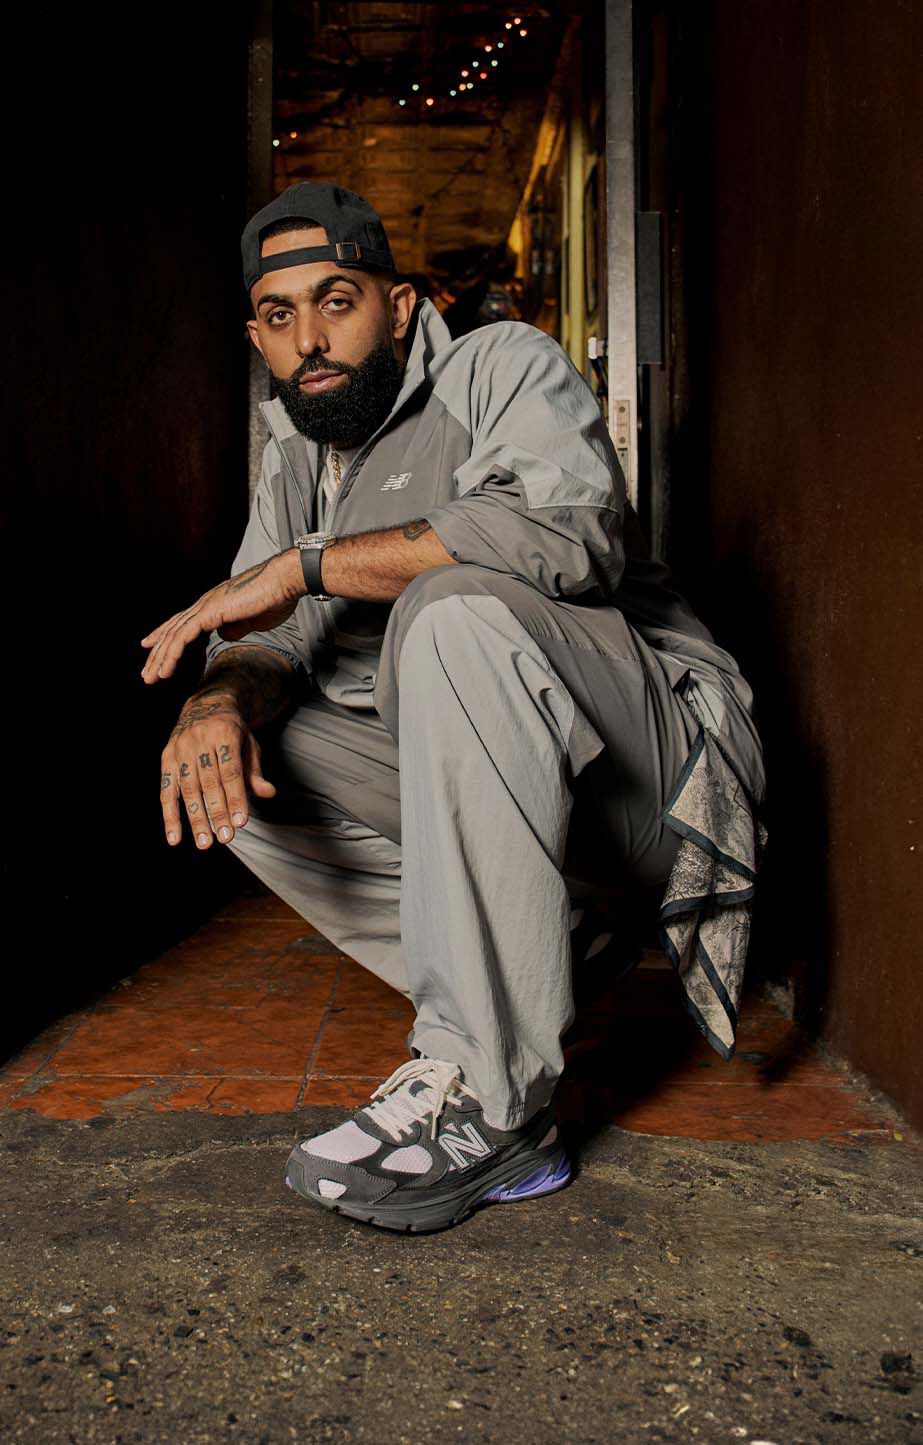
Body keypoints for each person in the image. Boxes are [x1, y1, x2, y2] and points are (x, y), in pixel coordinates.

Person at [142, 182, 766, 1234]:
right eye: (281, 316)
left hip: (658, 779)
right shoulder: (293, 456)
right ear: (257, 334)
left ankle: (493, 1100)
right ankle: (548, 945)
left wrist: (304, 568)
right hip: (537, 812)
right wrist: (213, 699)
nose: (311, 339)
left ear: (398, 303)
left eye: (336, 299)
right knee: (227, 752)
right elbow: (265, 637)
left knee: (452, 610)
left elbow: (559, 537)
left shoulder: (498, 366)